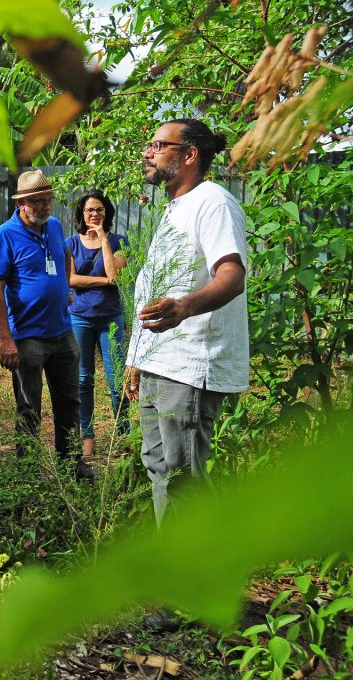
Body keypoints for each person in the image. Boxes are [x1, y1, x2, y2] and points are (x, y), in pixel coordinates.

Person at [124, 118, 248, 526]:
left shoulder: (213, 202)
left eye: (159, 145)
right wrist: (137, 358)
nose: (148, 153)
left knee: (182, 479)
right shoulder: (176, 207)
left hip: (190, 366)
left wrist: (186, 308)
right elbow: (155, 288)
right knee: (159, 468)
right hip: (161, 363)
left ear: (190, 155)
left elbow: (232, 275)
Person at [0, 169, 91, 478]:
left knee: (70, 403)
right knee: (29, 407)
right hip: (27, 337)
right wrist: (6, 339)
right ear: (21, 203)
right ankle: (28, 473)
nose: (45, 207)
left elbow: (66, 255)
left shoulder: (54, 226)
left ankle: (72, 465)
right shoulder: (5, 235)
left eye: (48, 200)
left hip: (63, 333)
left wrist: (66, 287)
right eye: (38, 202)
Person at [66, 188, 130, 459]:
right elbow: (71, 279)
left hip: (111, 317)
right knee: (83, 379)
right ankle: (87, 436)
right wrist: (104, 281)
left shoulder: (119, 240)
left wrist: (103, 239)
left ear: (107, 212)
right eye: (90, 209)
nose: (94, 214)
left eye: (99, 209)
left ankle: (124, 435)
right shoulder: (71, 243)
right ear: (82, 213)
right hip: (80, 317)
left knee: (117, 381)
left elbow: (116, 273)